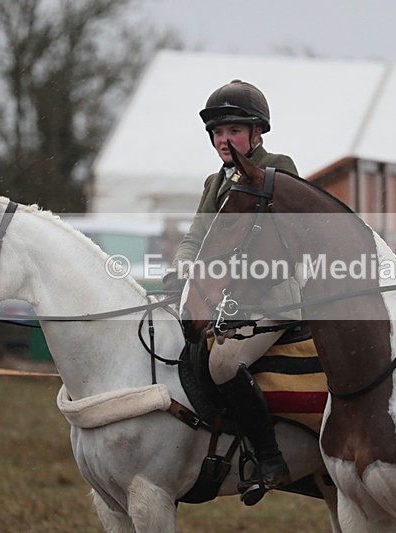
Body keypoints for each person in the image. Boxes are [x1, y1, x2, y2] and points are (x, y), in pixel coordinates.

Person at [165, 79, 298, 494]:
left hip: (274, 298)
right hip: (223, 299)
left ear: (257, 134)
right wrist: (184, 270)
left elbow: (289, 242)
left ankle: (270, 458)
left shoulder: (278, 168)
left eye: (234, 131)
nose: (224, 140)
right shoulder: (214, 182)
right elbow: (195, 239)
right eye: (218, 133)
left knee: (222, 363)